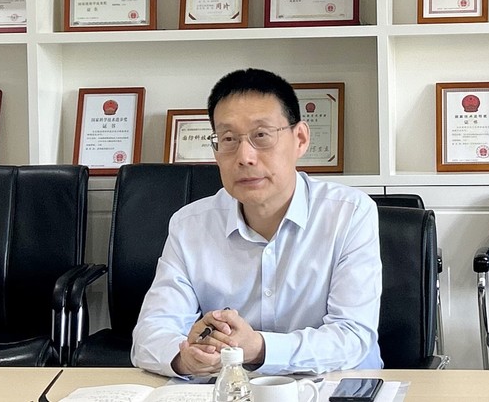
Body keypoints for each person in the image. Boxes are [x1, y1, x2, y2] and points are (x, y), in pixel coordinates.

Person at [131, 68, 383, 377]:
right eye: (228, 139)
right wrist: (188, 358)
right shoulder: (190, 225)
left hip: (335, 387)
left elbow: (353, 337)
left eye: (261, 136)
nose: (245, 156)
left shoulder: (349, 214)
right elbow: (151, 333)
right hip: (231, 390)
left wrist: (259, 348)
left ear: (300, 139)